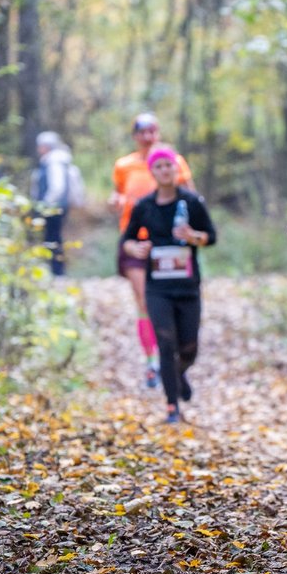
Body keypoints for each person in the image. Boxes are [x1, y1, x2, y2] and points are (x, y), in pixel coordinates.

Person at [121, 147, 216, 423]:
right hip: (157, 288)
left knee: (189, 348)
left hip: (187, 286)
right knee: (165, 342)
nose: (164, 171)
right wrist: (136, 249)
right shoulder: (144, 206)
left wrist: (192, 236)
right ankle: (172, 405)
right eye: (159, 166)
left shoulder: (192, 202)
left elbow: (211, 237)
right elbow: (126, 240)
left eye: (169, 166)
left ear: (177, 170)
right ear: (152, 172)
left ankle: (178, 372)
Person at [112, 113, 195, 388]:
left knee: (170, 302)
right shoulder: (123, 165)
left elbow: (191, 197)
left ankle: (171, 355)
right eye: (142, 132)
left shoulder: (173, 160)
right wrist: (117, 201)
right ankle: (152, 362)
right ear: (134, 135)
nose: (148, 137)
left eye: (152, 131)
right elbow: (118, 195)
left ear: (158, 133)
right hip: (136, 241)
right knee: (144, 302)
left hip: (169, 244)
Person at [30, 131, 85, 276]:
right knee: (54, 237)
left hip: (53, 208)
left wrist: (46, 204)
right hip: (58, 206)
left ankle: (56, 272)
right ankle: (55, 270)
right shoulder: (58, 161)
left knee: (52, 238)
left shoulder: (53, 161)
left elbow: (57, 186)